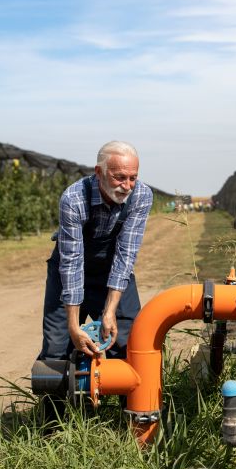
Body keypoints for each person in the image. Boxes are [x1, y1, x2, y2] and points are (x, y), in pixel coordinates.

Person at [38, 141, 153, 361]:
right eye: (119, 177)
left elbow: (125, 255)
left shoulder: (141, 195)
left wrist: (109, 311)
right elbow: (71, 263)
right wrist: (73, 327)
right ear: (99, 172)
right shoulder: (73, 199)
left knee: (127, 341)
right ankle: (56, 394)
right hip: (68, 272)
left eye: (133, 178)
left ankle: (126, 392)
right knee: (57, 346)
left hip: (111, 269)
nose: (127, 186)